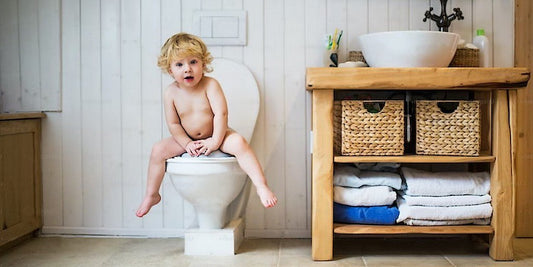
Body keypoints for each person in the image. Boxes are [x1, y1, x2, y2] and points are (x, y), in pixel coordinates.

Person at [136, 33, 277, 217]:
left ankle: (261, 186)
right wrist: (186, 143)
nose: (187, 69)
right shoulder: (170, 93)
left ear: (203, 63)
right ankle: (151, 194)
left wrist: (215, 141)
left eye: (193, 62)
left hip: (218, 133)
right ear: (170, 70)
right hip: (187, 138)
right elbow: (174, 123)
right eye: (179, 64)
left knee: (240, 144)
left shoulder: (210, 85)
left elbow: (221, 114)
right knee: (158, 151)